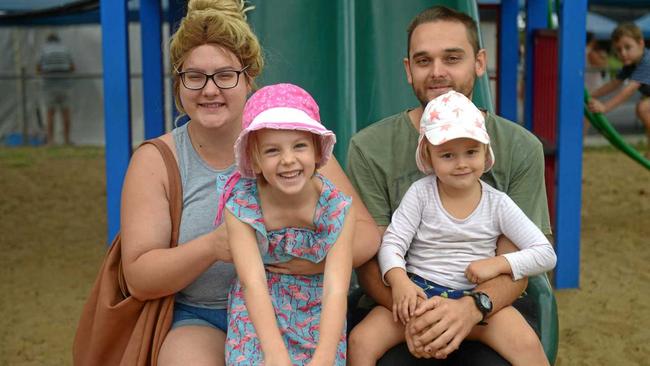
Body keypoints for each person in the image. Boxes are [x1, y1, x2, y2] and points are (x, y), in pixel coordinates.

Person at [119, 1, 379, 365]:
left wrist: (312, 263)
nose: (210, 90)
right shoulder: (157, 160)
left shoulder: (292, 147)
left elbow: (364, 234)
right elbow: (140, 277)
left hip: (302, 312)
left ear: (249, 78)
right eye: (194, 76)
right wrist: (213, 245)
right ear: (178, 82)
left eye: (225, 75)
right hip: (203, 315)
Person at [347, 5, 552, 364]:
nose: (438, 72)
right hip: (404, 302)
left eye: (452, 58)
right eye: (424, 61)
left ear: (479, 61)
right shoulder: (371, 148)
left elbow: (518, 258)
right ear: (408, 70)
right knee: (367, 346)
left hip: (489, 304)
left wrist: (472, 308)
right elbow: (373, 253)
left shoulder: (518, 147)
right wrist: (418, 311)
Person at [217, 83, 353, 365]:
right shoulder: (242, 205)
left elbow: (336, 286)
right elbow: (251, 281)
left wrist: (325, 356)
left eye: (300, 146)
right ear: (254, 159)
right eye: (272, 151)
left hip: (319, 311)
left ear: (317, 151)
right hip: (258, 310)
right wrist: (275, 353)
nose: (288, 160)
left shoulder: (337, 208)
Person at [588, 23, 650, 158]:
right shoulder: (632, 64)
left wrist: (604, 107)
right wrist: (591, 95)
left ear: (641, 43)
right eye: (619, 49)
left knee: (644, 107)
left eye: (628, 47)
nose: (623, 53)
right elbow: (613, 84)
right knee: (644, 109)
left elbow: (628, 90)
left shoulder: (646, 61)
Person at [37, 32, 75, 145]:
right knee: (66, 113)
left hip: (49, 86)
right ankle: (67, 140)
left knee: (50, 114)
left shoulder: (44, 50)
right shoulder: (65, 50)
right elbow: (72, 67)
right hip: (65, 86)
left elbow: (38, 68)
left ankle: (50, 140)